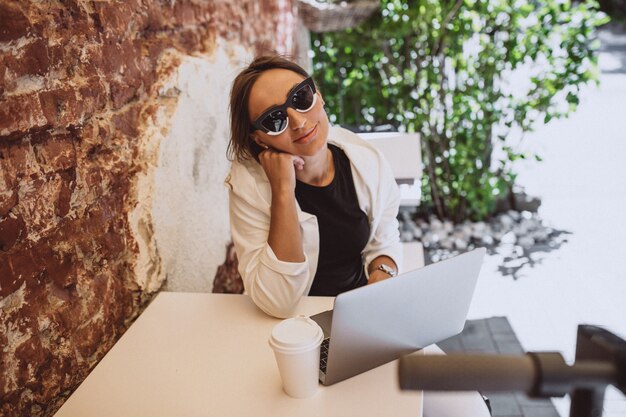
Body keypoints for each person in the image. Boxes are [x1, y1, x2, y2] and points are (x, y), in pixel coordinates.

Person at [225, 54, 402, 319]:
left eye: (301, 98)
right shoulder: (248, 186)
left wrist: (381, 275)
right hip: (290, 324)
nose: (298, 121)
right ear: (259, 139)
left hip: (360, 310)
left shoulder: (366, 160)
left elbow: (384, 237)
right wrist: (282, 191)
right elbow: (279, 302)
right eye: (274, 120)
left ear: (318, 94)